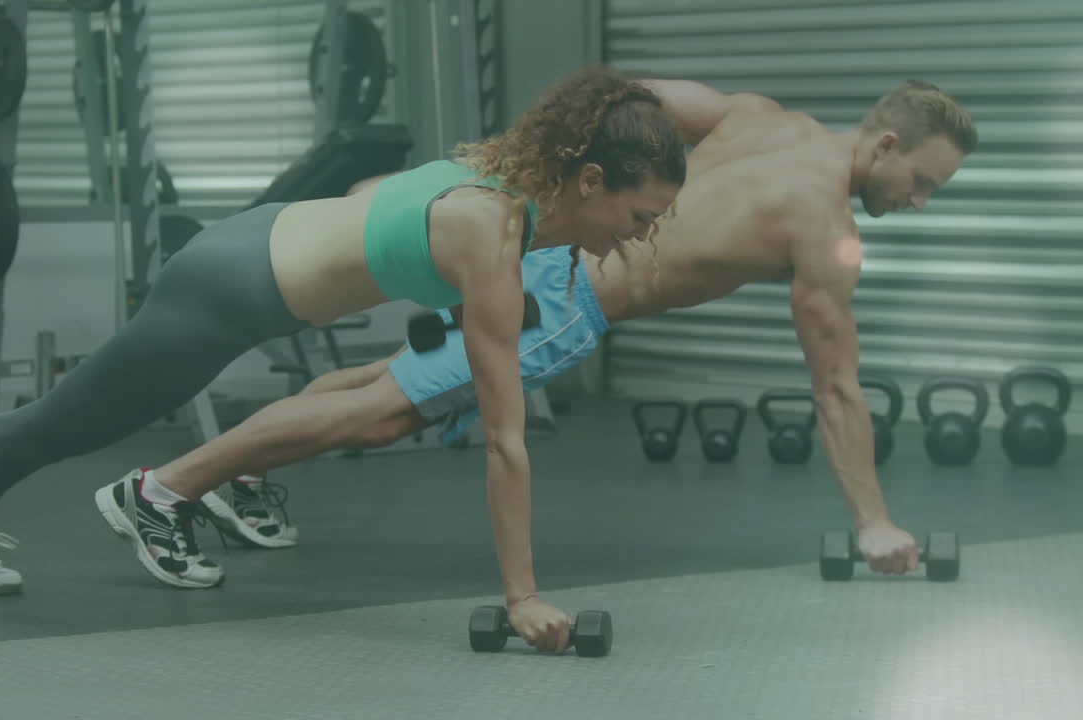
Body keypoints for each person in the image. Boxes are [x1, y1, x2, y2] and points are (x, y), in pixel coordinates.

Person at [100, 77, 979, 654]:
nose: (920, 203)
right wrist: (874, 523)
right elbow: (835, 385)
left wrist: (524, 170)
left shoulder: (761, 117)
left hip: (542, 227)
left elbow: (615, 97)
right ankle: (164, 489)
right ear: (889, 146)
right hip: (572, 296)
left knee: (386, 384)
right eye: (925, 183)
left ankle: (226, 475)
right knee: (392, 409)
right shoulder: (828, 232)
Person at [0, 66, 686, 621]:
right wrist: (523, 597)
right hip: (224, 293)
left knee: (64, 426)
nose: (640, 238)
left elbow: (385, 197)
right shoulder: (490, 234)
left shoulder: (513, 175)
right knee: (51, 425)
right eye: (640, 217)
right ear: (591, 177)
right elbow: (504, 439)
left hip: (256, 251)